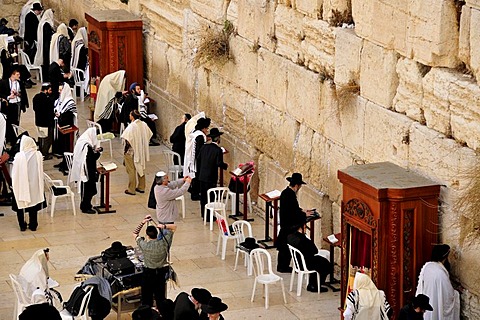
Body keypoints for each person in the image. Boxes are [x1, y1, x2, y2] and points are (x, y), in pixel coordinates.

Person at [132, 215, 177, 310]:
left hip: (148, 274)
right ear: (157, 234)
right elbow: (174, 227)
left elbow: (135, 234)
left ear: (147, 235)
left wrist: (142, 222)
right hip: (161, 273)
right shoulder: (164, 243)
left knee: (146, 298)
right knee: (160, 297)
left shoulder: (144, 245)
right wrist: (163, 226)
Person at [276, 172, 314, 273]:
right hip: (289, 225)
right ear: (297, 185)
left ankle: (283, 266)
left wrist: (302, 211)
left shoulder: (286, 193)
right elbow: (292, 213)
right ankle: (284, 266)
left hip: (286, 224)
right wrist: (303, 215)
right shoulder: (290, 195)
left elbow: (293, 209)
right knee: (287, 247)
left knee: (285, 248)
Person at [415, 244, 460, 320]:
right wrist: (456, 293)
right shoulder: (441, 273)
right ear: (445, 257)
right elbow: (449, 296)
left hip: (427, 305)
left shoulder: (428, 266)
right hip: (435, 304)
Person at [11, 135, 45, 231]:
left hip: (21, 185)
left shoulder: (19, 157)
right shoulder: (38, 155)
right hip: (34, 185)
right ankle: (33, 225)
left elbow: (14, 172)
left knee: (20, 205)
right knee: (33, 205)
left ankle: (22, 225)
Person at [287, 223, 332, 292]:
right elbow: (314, 250)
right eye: (305, 227)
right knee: (326, 264)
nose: (305, 229)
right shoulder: (303, 239)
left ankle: (314, 283)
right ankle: (314, 285)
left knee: (321, 259)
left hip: (298, 262)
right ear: (300, 228)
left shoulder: (291, 236)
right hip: (305, 263)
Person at [197, 128, 228, 221]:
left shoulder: (204, 147)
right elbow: (219, 163)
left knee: (203, 197)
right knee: (210, 197)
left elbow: (198, 159)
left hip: (202, 175)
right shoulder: (218, 150)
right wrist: (225, 165)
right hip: (211, 177)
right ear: (218, 139)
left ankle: (204, 214)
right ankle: (209, 216)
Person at [70, 127, 102, 214]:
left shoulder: (83, 141)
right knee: (88, 190)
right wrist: (98, 153)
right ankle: (85, 207)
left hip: (85, 169)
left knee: (88, 189)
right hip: (86, 171)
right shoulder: (86, 145)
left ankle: (87, 205)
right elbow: (91, 158)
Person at [121, 110, 152, 195]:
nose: (129, 115)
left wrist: (125, 150)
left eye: (130, 114)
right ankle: (141, 187)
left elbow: (127, 139)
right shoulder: (144, 125)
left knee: (131, 170)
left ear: (132, 116)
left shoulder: (132, 126)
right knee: (140, 167)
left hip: (131, 151)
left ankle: (131, 189)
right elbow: (149, 134)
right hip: (140, 150)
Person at [183, 116, 210, 201]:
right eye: (206, 128)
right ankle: (195, 194)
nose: (207, 130)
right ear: (203, 128)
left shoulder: (195, 132)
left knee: (194, 175)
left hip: (191, 157)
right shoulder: (200, 136)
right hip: (196, 160)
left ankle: (193, 191)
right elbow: (199, 149)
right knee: (197, 176)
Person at [52, 83, 76, 173]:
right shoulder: (60, 99)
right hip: (60, 126)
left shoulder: (70, 102)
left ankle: (67, 164)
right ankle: (63, 162)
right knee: (62, 145)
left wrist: (60, 116)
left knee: (67, 146)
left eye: (61, 90)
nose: (59, 91)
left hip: (67, 128)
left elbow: (69, 116)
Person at [33, 82, 55, 158]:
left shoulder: (36, 97)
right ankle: (45, 154)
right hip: (46, 123)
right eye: (49, 90)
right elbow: (50, 112)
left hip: (38, 121)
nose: (51, 92)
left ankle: (40, 152)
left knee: (40, 137)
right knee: (47, 139)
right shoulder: (47, 99)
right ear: (45, 90)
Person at [34, 8, 55, 81]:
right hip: (46, 46)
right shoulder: (46, 24)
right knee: (46, 62)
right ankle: (46, 78)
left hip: (43, 45)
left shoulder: (42, 23)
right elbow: (48, 36)